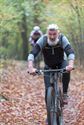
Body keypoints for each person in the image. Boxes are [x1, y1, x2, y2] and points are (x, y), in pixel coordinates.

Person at [28, 24, 75, 120]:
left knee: (66, 71)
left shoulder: (62, 38)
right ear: (47, 33)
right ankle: (49, 114)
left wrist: (70, 65)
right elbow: (33, 53)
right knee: (47, 90)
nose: (52, 36)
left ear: (58, 33)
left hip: (61, 63)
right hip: (48, 66)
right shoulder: (43, 39)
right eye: (50, 34)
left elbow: (70, 52)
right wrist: (30, 67)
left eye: (54, 34)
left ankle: (65, 93)